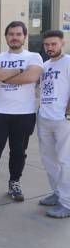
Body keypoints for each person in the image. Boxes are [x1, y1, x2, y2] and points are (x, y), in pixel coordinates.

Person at [0, 21, 43, 202]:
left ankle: (15, 183)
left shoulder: (34, 57)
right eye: (11, 34)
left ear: (24, 37)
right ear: (6, 37)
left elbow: (32, 77)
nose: (15, 37)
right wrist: (20, 71)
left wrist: (6, 75)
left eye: (18, 34)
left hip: (24, 113)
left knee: (18, 151)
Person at [37, 30, 70, 218]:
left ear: (62, 43)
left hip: (62, 120)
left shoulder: (68, 62)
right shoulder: (44, 65)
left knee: (65, 161)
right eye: (47, 45)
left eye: (53, 44)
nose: (50, 48)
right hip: (44, 118)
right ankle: (58, 193)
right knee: (49, 160)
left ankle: (67, 203)